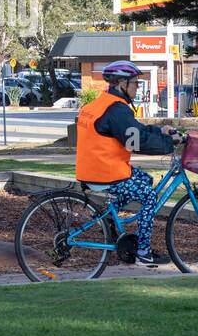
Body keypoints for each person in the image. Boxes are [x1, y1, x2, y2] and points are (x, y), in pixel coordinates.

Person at [75, 60, 180, 267]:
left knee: (145, 179)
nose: (137, 87)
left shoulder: (100, 104)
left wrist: (159, 131)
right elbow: (136, 141)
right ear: (122, 83)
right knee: (149, 196)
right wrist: (170, 143)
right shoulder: (117, 110)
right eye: (135, 83)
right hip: (106, 172)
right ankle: (143, 252)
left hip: (93, 169)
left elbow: (133, 130)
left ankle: (111, 218)